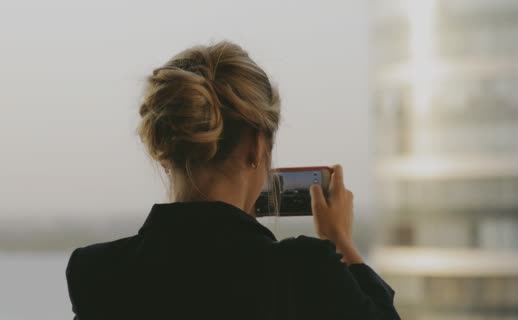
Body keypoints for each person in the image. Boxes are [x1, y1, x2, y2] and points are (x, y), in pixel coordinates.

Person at [65, 41, 400, 320]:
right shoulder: (300, 271)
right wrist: (339, 238)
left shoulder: (95, 271)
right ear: (256, 147)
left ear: (164, 151)